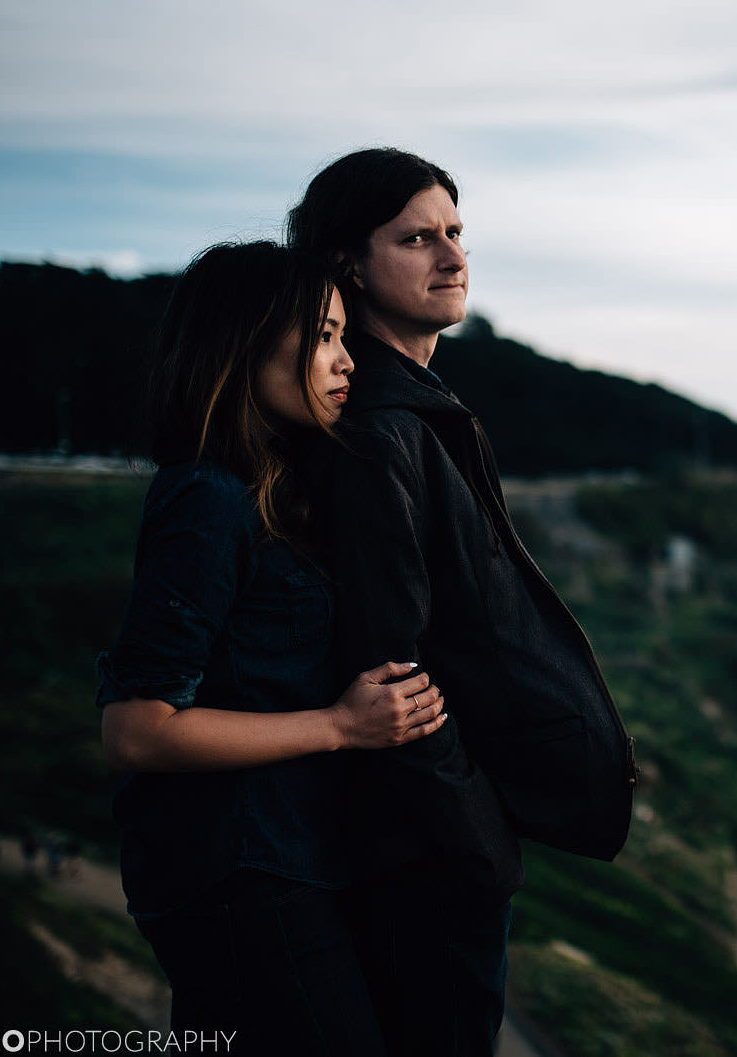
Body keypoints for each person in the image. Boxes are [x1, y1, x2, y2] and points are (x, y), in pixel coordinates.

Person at [287, 149, 636, 1057]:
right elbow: (386, 667)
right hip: (423, 855)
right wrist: (474, 835)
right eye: (415, 238)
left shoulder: (422, 411)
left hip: (435, 846)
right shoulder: (382, 433)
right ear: (347, 266)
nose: (451, 258)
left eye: (455, 233)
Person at [96, 240, 448, 1056]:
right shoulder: (206, 498)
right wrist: (340, 725)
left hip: (272, 867)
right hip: (239, 876)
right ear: (245, 342)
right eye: (323, 335)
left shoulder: (262, 492)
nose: (344, 359)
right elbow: (136, 729)